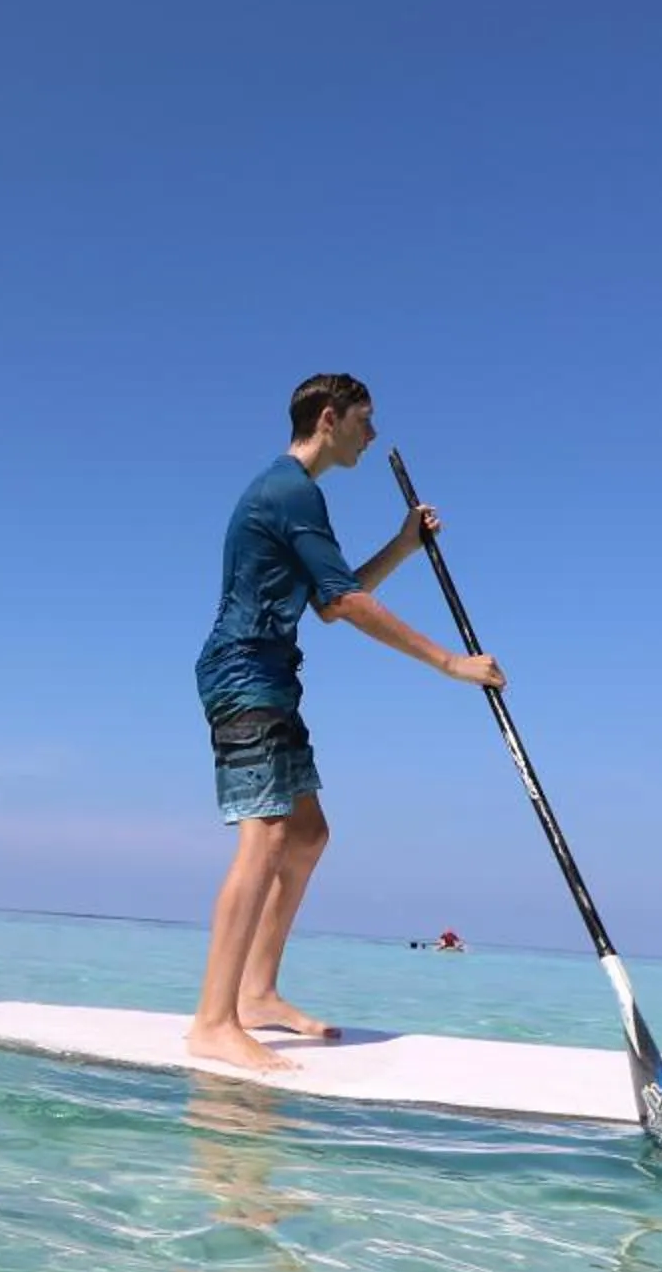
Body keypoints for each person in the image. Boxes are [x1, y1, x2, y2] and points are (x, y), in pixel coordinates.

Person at [189, 373, 502, 1074]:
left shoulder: (298, 495)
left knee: (307, 835)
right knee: (266, 836)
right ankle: (213, 1021)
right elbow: (351, 607)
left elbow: (332, 601)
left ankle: (258, 993)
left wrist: (403, 545)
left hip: (271, 677)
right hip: (244, 677)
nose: (375, 433)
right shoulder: (291, 491)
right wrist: (450, 663)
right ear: (329, 419)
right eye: (366, 420)